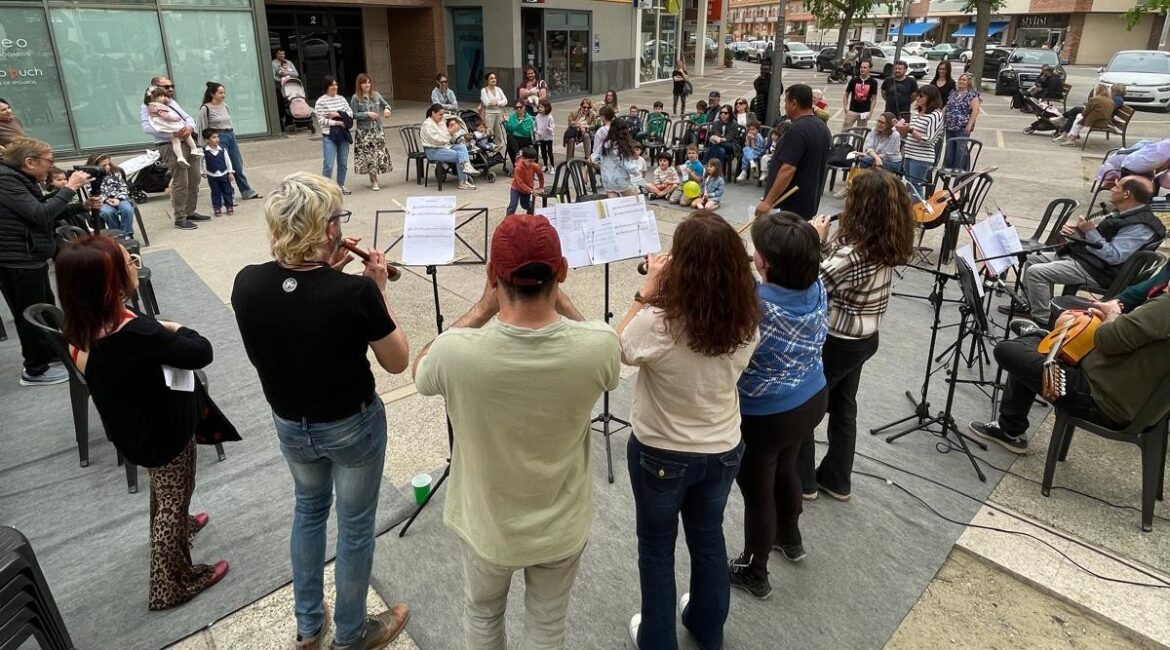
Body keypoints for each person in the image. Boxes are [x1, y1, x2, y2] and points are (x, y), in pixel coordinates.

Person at [413, 214, 620, 650]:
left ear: (493, 277)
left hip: (487, 524)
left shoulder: (456, 353)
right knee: (547, 625)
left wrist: (483, 309)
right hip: (560, 524)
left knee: (483, 614)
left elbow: (420, 370)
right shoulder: (596, 346)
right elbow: (602, 343)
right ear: (560, 272)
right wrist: (559, 301)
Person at [232, 172, 412, 650]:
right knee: (354, 529)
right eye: (337, 219)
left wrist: (326, 265)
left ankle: (309, 626)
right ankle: (352, 635)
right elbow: (397, 362)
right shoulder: (353, 295)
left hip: (291, 423)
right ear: (328, 230)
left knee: (308, 512)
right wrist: (377, 289)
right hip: (350, 425)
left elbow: (297, 302)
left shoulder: (247, 284)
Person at [56, 235, 230, 609]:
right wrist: (174, 327)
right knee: (173, 496)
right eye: (128, 263)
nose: (135, 265)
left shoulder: (80, 322)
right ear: (112, 283)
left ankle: (180, 525)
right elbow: (201, 352)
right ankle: (170, 584)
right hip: (163, 432)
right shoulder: (136, 333)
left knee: (165, 489)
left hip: (131, 427)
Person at [618, 212, 760, 650]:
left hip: (662, 451)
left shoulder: (660, 323)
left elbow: (615, 350)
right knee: (708, 536)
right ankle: (706, 625)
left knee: (657, 550)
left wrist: (648, 290)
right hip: (722, 447)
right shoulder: (747, 315)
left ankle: (659, 641)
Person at [800, 169, 916, 501]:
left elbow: (810, 286)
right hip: (865, 336)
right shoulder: (886, 239)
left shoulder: (854, 253)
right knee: (843, 406)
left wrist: (815, 239)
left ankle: (804, 481)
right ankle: (837, 479)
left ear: (862, 207)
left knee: (805, 407)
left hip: (839, 340)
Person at [730, 211, 828, 599]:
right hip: (811, 396)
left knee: (757, 492)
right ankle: (789, 536)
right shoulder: (817, 284)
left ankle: (755, 570)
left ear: (765, 262)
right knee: (787, 465)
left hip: (766, 412)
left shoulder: (755, 303)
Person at [971, 287, 1170, 456]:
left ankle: (1010, 429)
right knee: (1035, 351)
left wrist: (1111, 316)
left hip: (1098, 399)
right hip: (1133, 404)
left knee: (1008, 350)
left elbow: (1109, 340)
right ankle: (1038, 339)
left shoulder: (1166, 307)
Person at [0, 137, 101, 385]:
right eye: (49, 161)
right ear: (30, 162)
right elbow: (39, 214)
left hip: (29, 256)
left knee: (45, 306)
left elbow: (40, 209)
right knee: (30, 314)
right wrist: (69, 188)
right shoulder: (6, 180)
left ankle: (52, 352)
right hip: (17, 260)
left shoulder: (18, 179)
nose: (51, 165)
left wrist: (80, 206)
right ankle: (34, 369)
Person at [1006, 176, 1165, 325]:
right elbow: (1104, 236)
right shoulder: (1123, 212)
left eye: (1117, 186)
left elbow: (1114, 256)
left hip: (1099, 271)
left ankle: (1042, 321)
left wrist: (1090, 232)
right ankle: (1031, 305)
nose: (1112, 189)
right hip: (1089, 260)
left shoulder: (1141, 226)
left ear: (1127, 194)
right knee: (1031, 258)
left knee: (1036, 272)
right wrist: (1079, 232)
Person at [757, 84, 832, 221]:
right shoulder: (823, 128)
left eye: (785, 102)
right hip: (808, 203)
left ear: (794, 104)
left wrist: (768, 201)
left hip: (789, 206)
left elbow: (788, 169)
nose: (784, 106)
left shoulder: (797, 129)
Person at [197, 82, 262, 201]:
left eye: (224, 92)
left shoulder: (225, 106)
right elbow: (203, 127)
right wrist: (206, 145)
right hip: (217, 137)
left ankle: (246, 191)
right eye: (220, 93)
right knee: (223, 166)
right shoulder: (205, 108)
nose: (223, 95)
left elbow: (228, 121)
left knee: (237, 164)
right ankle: (227, 195)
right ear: (212, 94)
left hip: (230, 135)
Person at [896, 84, 944, 199]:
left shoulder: (935, 115)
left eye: (921, 96)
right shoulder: (917, 114)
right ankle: (909, 211)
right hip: (909, 154)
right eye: (917, 95)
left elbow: (929, 139)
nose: (917, 98)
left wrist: (911, 130)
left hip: (921, 157)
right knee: (908, 185)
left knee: (915, 187)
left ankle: (916, 213)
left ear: (930, 98)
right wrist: (900, 128)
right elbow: (907, 135)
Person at [348, 74, 393, 192]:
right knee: (370, 156)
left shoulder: (376, 95)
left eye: (368, 82)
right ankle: (375, 180)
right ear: (360, 85)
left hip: (377, 130)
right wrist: (366, 114)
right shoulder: (355, 98)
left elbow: (386, 104)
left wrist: (387, 110)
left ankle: (372, 176)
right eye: (364, 83)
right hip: (364, 133)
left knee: (378, 155)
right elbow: (352, 114)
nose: (367, 85)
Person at [420, 104, 480, 191]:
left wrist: (453, 132)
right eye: (440, 114)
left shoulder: (441, 122)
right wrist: (450, 132)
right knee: (459, 155)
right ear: (433, 113)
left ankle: (466, 166)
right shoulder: (427, 124)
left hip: (444, 147)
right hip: (433, 150)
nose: (442, 117)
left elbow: (447, 137)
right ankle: (463, 181)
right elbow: (437, 140)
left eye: (442, 114)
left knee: (461, 147)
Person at [313, 76, 354, 195]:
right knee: (328, 164)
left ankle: (340, 185)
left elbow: (350, 113)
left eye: (336, 84)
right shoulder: (321, 101)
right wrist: (339, 122)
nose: (335, 87)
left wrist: (337, 114)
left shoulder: (341, 99)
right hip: (329, 136)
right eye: (332, 85)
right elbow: (321, 120)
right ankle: (325, 188)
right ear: (326, 87)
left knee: (343, 163)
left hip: (343, 135)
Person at [146, 87, 203, 168]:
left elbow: (187, 117)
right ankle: (194, 149)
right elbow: (165, 115)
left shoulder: (151, 106)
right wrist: (175, 118)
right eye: (161, 96)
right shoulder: (159, 106)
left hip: (163, 126)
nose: (164, 98)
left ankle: (180, 157)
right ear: (155, 97)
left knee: (175, 141)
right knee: (186, 134)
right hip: (168, 125)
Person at [86, 153, 137, 235]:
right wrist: (106, 200)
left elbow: (123, 187)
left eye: (108, 164)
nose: (107, 167)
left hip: (120, 198)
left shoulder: (116, 172)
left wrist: (118, 199)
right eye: (104, 165)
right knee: (107, 212)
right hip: (103, 201)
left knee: (127, 209)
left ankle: (127, 234)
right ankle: (117, 233)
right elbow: (92, 193)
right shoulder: (90, 178)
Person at [942, 72, 981, 169]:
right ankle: (948, 168)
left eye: (964, 80)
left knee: (961, 148)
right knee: (949, 148)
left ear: (969, 82)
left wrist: (970, 124)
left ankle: (960, 169)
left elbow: (975, 110)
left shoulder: (971, 95)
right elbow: (947, 106)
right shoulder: (953, 93)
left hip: (962, 127)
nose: (961, 81)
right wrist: (940, 118)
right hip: (950, 125)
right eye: (960, 79)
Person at [598, 119, 640, 198]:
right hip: (622, 180)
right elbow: (630, 166)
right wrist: (638, 173)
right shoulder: (624, 146)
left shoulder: (604, 144)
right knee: (630, 203)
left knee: (614, 205)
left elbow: (594, 158)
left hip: (607, 180)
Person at [200, 130, 234, 217]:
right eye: (214, 137)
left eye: (217, 137)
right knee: (215, 192)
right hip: (212, 175)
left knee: (227, 191)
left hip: (224, 174)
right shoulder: (204, 151)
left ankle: (229, 206)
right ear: (207, 140)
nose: (217, 139)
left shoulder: (222, 149)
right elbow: (202, 162)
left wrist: (230, 172)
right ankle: (217, 208)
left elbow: (228, 161)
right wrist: (203, 171)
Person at [506, 146, 543, 215]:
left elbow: (540, 176)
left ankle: (530, 212)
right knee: (513, 205)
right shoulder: (518, 168)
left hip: (527, 189)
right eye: (529, 161)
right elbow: (519, 182)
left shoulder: (535, 166)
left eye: (533, 161)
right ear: (523, 158)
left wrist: (541, 187)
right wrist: (530, 190)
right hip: (516, 188)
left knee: (525, 205)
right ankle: (508, 221)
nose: (531, 163)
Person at [842, 61, 878, 130]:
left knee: (860, 132)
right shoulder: (854, 80)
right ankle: (842, 141)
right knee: (845, 130)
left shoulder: (873, 82)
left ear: (869, 69)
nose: (862, 69)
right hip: (852, 110)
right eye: (861, 67)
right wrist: (845, 108)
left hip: (864, 112)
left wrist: (870, 112)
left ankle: (859, 141)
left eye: (865, 68)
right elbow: (846, 94)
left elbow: (874, 99)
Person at [479, 71, 509, 146]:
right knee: (488, 133)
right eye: (491, 78)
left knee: (498, 134)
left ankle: (497, 151)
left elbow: (505, 101)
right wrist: (496, 103)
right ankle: (488, 150)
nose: (494, 80)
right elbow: (487, 103)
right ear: (487, 81)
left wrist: (497, 103)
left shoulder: (499, 89)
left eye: (495, 78)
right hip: (489, 115)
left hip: (499, 114)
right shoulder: (484, 90)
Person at [504, 100, 535, 169]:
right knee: (510, 138)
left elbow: (526, 132)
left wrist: (520, 125)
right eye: (516, 107)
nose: (518, 109)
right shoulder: (512, 117)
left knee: (511, 142)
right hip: (515, 139)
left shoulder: (529, 118)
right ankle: (516, 163)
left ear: (524, 107)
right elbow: (509, 130)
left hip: (525, 139)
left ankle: (517, 161)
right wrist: (507, 122)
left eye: (520, 107)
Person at [534, 98, 556, 172]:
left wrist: (548, 128)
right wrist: (536, 131)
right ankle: (545, 164)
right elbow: (535, 126)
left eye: (541, 107)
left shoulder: (550, 117)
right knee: (543, 151)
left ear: (546, 108)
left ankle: (552, 166)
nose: (539, 109)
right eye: (539, 107)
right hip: (541, 137)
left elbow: (553, 127)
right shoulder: (537, 117)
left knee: (549, 151)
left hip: (549, 137)